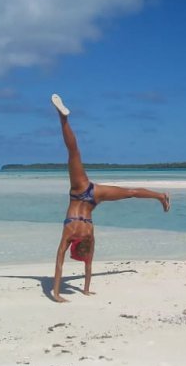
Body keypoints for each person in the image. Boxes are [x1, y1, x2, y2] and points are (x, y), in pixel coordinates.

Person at [51, 93, 170, 303]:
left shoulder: (88, 236)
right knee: (74, 153)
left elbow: (87, 267)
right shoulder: (71, 234)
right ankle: (159, 196)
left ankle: (160, 196)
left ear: (82, 248)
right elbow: (59, 262)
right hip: (83, 191)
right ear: (76, 247)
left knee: (128, 192)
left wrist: (74, 291)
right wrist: (56, 292)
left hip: (92, 198)